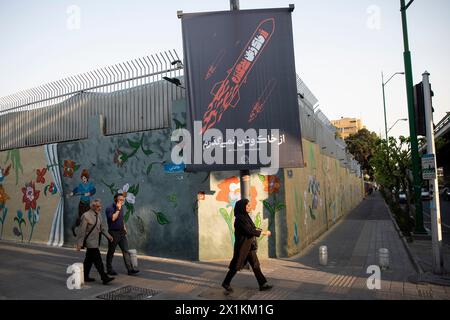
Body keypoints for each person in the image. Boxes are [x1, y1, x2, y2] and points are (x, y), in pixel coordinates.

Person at [222, 199, 273, 292]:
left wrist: (260, 230)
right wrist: (264, 233)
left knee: (255, 264)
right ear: (242, 207)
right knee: (236, 265)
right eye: (248, 205)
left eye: (250, 205)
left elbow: (252, 228)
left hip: (249, 246)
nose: (250, 207)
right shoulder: (240, 219)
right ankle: (226, 283)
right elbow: (249, 231)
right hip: (242, 247)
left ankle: (262, 284)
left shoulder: (245, 217)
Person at [76, 199, 114, 285]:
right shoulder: (86, 216)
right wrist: (79, 244)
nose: (100, 208)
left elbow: (102, 228)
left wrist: (109, 236)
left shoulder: (99, 215)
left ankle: (85, 276)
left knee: (88, 260)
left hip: (96, 241)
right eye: (97, 206)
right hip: (90, 242)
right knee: (98, 260)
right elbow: (81, 231)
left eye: (100, 206)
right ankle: (104, 277)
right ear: (92, 207)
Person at [105, 193, 139, 276]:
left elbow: (121, 218)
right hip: (113, 233)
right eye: (120, 199)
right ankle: (109, 269)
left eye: (123, 200)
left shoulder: (121, 208)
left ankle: (130, 269)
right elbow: (113, 218)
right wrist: (118, 209)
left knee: (126, 251)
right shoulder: (109, 208)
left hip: (121, 232)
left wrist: (124, 227)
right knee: (111, 251)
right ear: (115, 199)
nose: (122, 201)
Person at [70, 169, 96, 237]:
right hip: (81, 204)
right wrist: (73, 192)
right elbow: (76, 189)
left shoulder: (90, 185)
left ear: (87, 178)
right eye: (82, 178)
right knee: (81, 217)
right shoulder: (81, 185)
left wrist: (89, 193)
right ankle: (75, 227)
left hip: (87, 204)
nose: (83, 179)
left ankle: (85, 233)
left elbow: (94, 190)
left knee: (87, 218)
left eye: (84, 178)